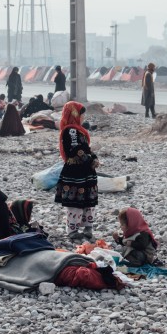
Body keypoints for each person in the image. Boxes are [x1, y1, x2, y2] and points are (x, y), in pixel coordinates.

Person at [55, 102, 99, 242]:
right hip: (76, 171)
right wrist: (89, 160)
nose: (83, 117)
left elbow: (86, 148)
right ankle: (73, 231)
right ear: (74, 114)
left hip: (85, 170)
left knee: (88, 201)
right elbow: (75, 149)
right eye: (82, 114)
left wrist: (94, 158)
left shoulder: (79, 130)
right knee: (75, 203)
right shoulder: (71, 131)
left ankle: (88, 228)